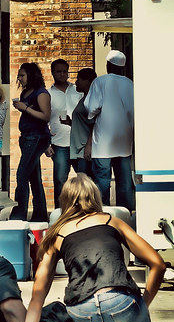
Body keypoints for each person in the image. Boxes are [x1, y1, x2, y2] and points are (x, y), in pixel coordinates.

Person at [24, 173, 165, 322]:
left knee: (102, 319)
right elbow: (157, 264)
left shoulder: (57, 235)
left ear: (65, 202)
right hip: (119, 299)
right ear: (95, 197)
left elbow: (37, 296)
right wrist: (143, 306)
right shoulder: (111, 221)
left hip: (81, 308)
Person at [85, 50, 135, 210]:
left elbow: (91, 108)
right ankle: (127, 216)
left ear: (108, 65)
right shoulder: (130, 84)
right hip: (124, 142)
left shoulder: (100, 82)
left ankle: (101, 214)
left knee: (102, 182)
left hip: (103, 143)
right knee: (125, 183)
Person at [11, 62, 52, 222]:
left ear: (31, 75)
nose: (19, 78)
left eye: (22, 75)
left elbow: (45, 116)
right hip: (27, 137)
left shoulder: (42, 93)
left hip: (36, 138)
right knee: (34, 178)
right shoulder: (26, 93)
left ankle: (19, 215)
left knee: (22, 175)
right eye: (19, 75)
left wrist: (25, 108)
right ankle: (40, 215)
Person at [47, 58, 80, 208]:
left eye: (64, 71)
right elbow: (44, 120)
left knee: (85, 180)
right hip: (59, 143)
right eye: (58, 71)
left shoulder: (77, 90)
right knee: (60, 180)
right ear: (52, 73)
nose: (62, 74)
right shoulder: (48, 94)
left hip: (79, 142)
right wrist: (46, 143)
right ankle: (60, 213)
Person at [68, 67, 98, 177]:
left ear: (87, 81)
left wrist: (88, 146)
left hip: (84, 150)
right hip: (78, 149)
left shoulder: (91, 99)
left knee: (85, 183)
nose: (76, 82)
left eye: (79, 79)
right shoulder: (85, 98)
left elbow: (95, 124)